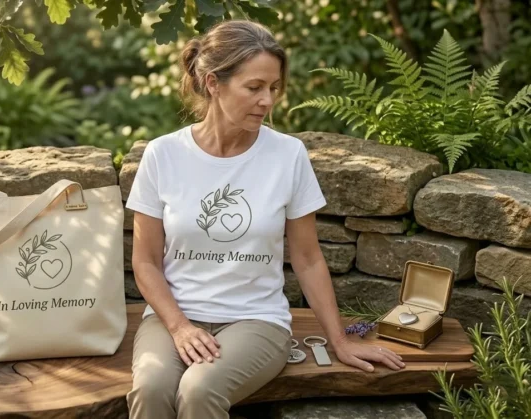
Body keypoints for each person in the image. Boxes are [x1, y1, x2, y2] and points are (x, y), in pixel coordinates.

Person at [124, 19, 406, 419]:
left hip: (256, 321)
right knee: (151, 389)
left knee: (199, 390)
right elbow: (146, 261)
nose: (267, 100)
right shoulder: (162, 155)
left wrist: (340, 340)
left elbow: (308, 259)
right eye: (254, 87)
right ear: (213, 83)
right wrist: (179, 327)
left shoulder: (287, 156)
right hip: (174, 315)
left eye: (273, 88)